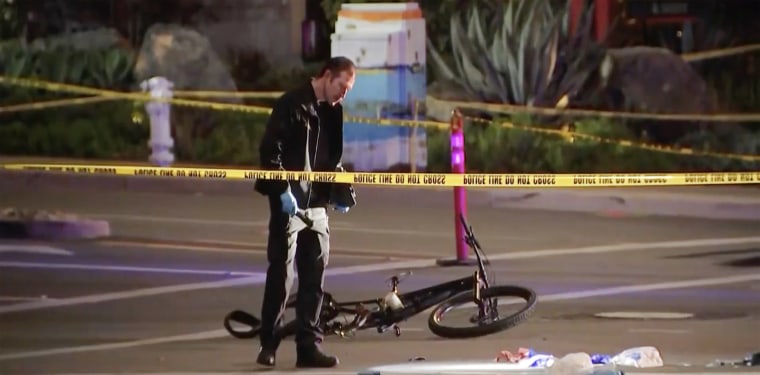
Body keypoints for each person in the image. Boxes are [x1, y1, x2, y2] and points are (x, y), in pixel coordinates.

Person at [252, 56, 357, 368]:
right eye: (342, 86)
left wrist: (340, 187)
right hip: (290, 201)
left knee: (314, 278)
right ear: (326, 76)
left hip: (317, 205)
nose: (344, 94)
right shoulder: (292, 104)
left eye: (348, 89)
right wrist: (282, 190)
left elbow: (331, 158)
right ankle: (268, 345)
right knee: (281, 275)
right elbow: (270, 151)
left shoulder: (334, 112)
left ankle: (308, 348)